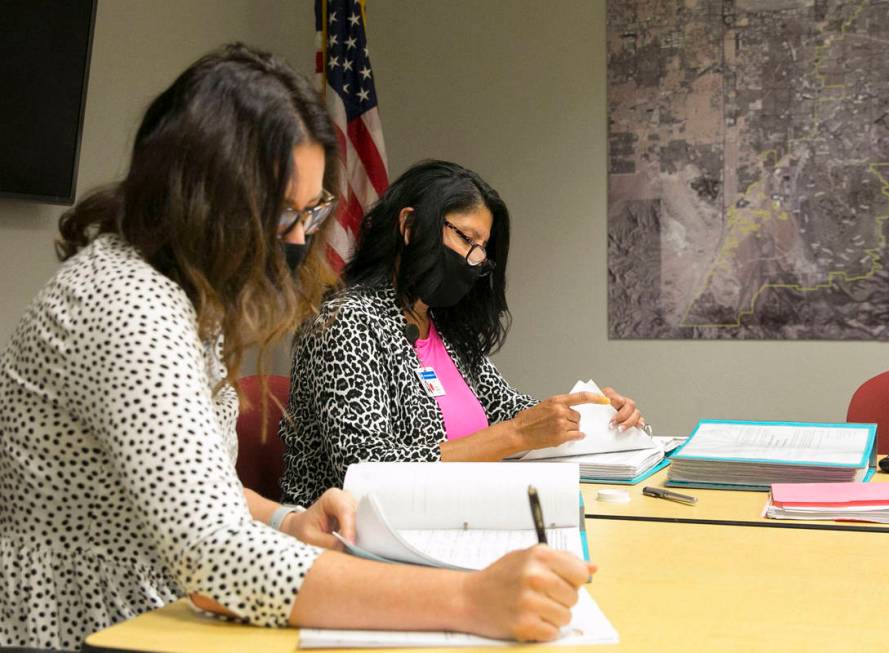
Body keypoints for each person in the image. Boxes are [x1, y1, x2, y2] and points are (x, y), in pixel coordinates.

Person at [0, 45, 594, 650]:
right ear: (203, 192)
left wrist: (286, 519)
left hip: (163, 612)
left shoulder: (183, 300)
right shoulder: (128, 307)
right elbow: (216, 557)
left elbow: (200, 487)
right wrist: (469, 600)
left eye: (310, 213)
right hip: (92, 628)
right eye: (283, 212)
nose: (296, 238)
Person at [280, 160, 645, 505]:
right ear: (409, 227)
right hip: (351, 540)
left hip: (448, 519)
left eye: (482, 249)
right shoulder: (344, 322)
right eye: (467, 239)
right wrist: (516, 434)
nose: (475, 260)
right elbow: (366, 466)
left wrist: (594, 413)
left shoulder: (441, 325)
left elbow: (507, 409)